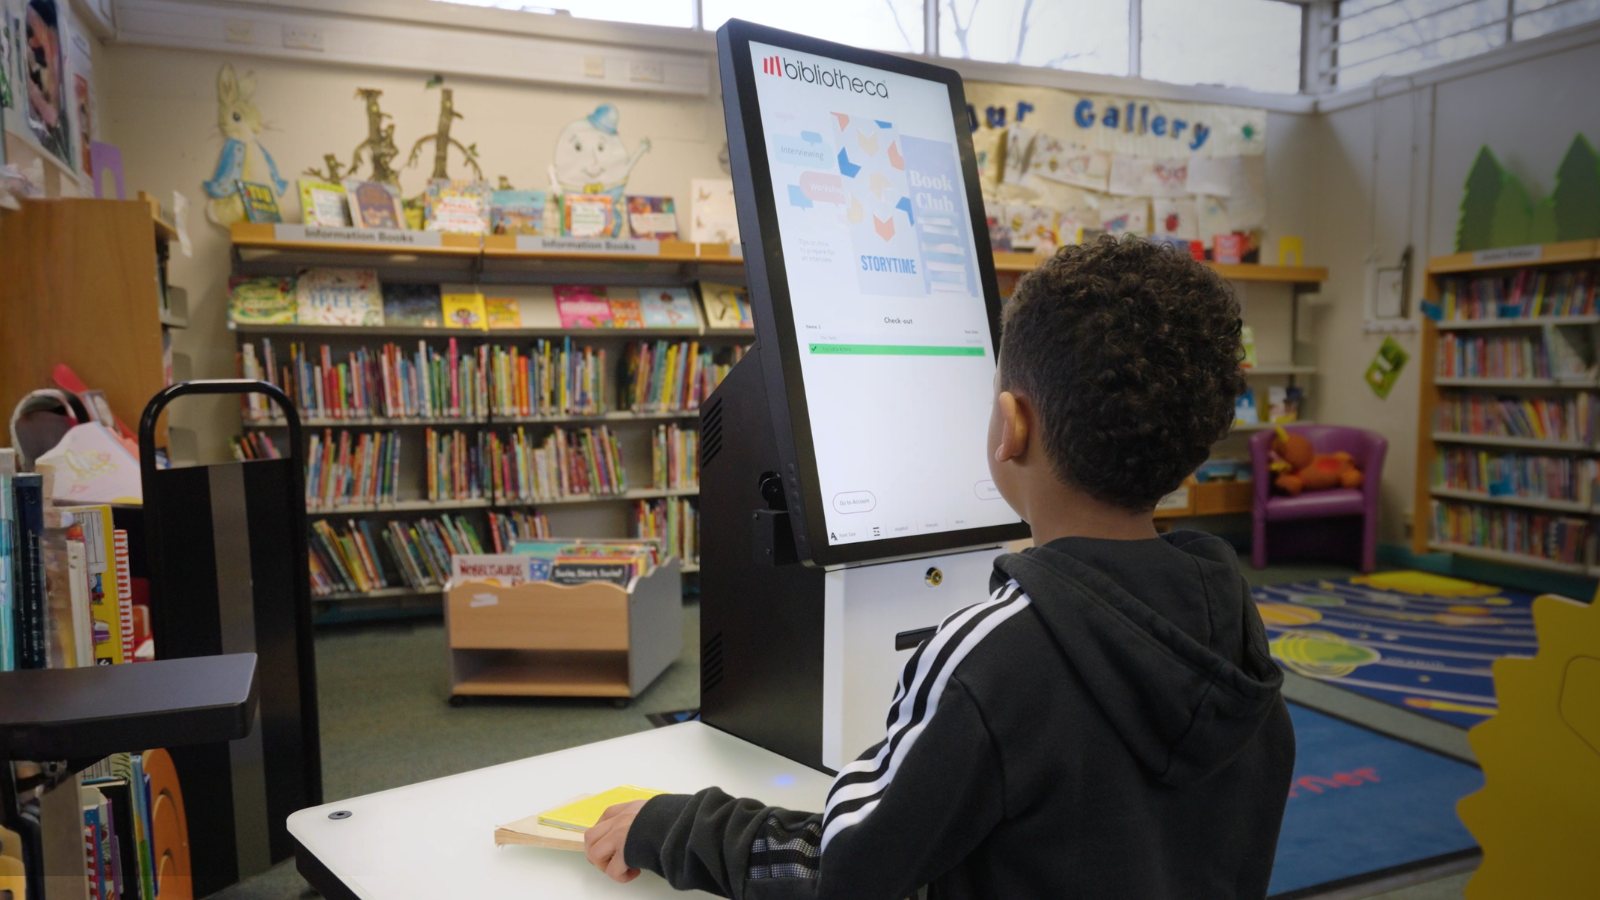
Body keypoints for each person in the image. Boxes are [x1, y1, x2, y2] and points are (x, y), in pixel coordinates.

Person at [584, 236, 1296, 899]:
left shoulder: (992, 657)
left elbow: (848, 868)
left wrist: (674, 826)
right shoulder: (1235, 634)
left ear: (1011, 426)